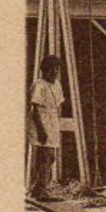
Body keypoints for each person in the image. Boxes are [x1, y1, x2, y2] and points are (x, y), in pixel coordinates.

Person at [27, 54, 64, 201]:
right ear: (45, 70)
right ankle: (41, 189)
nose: (54, 72)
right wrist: (42, 130)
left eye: (57, 69)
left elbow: (59, 104)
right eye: (52, 69)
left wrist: (56, 123)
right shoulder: (39, 85)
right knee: (45, 156)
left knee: (51, 157)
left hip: (52, 122)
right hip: (40, 122)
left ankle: (39, 187)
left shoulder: (57, 85)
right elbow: (35, 109)